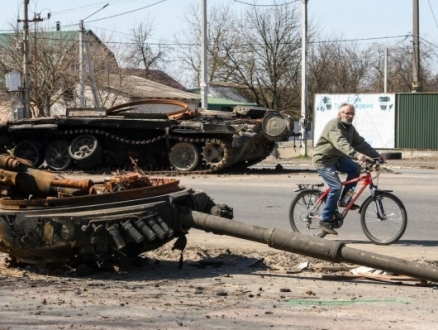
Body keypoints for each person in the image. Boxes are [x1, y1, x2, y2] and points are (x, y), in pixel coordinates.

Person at [312, 102, 385, 235]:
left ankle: (345, 201)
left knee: (355, 169)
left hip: (337, 158)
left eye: (352, 113)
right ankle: (325, 219)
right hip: (323, 160)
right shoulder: (333, 125)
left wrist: (377, 156)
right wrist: (355, 155)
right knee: (336, 186)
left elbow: (360, 143)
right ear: (340, 114)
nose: (350, 116)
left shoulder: (350, 128)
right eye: (347, 113)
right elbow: (341, 142)